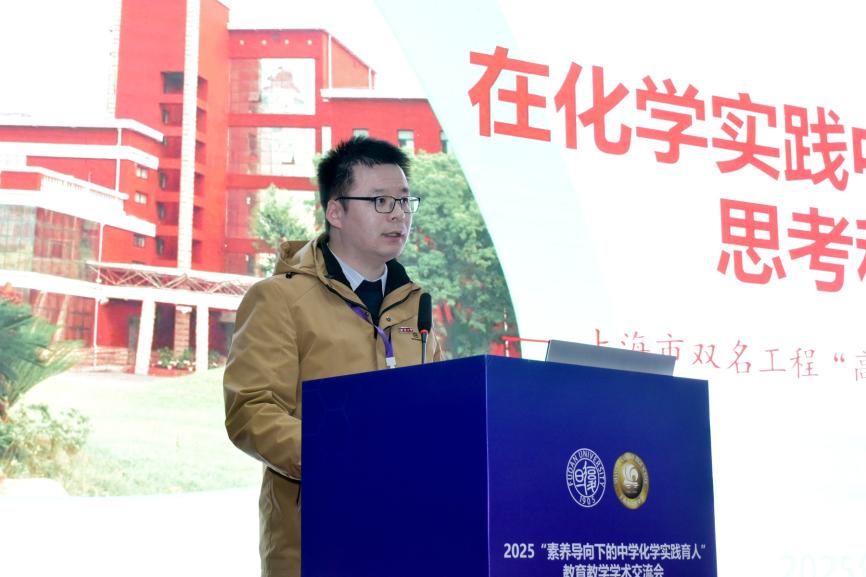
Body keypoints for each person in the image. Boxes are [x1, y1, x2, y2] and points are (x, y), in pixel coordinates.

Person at [223, 136, 441, 577]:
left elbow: (437, 413)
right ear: (335, 211)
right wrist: (338, 456)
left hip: (405, 537)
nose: (398, 214)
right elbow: (251, 410)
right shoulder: (280, 299)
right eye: (380, 200)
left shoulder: (415, 308)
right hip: (316, 542)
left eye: (404, 201)